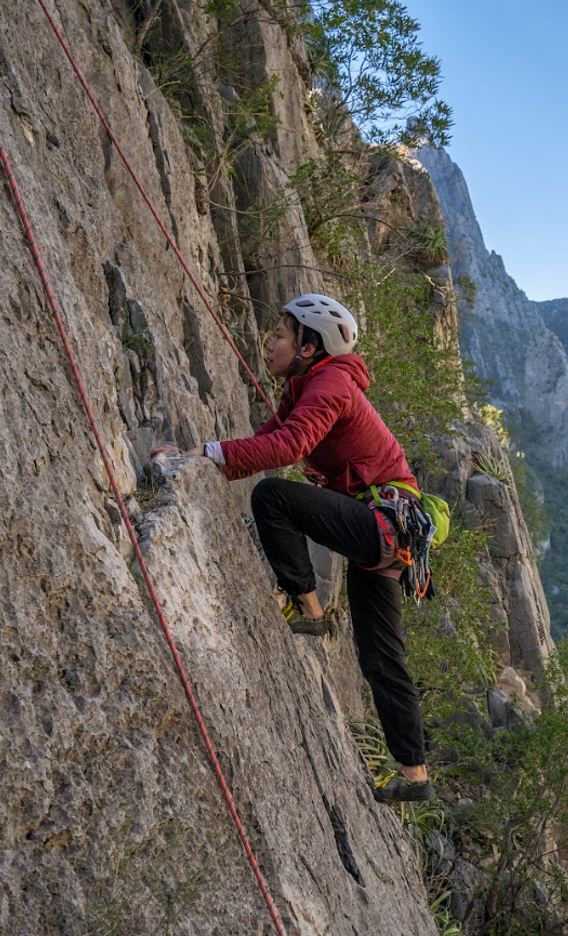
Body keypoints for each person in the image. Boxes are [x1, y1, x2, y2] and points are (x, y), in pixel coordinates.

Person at [152, 293, 432, 804]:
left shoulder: (331, 383)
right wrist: (201, 455)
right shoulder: (306, 385)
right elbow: (272, 434)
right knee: (379, 656)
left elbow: (287, 448)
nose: (270, 343)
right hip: (391, 533)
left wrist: (208, 454)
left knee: (273, 496)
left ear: (307, 346)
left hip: (382, 524)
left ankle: (308, 607)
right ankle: (414, 774)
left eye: (280, 335)